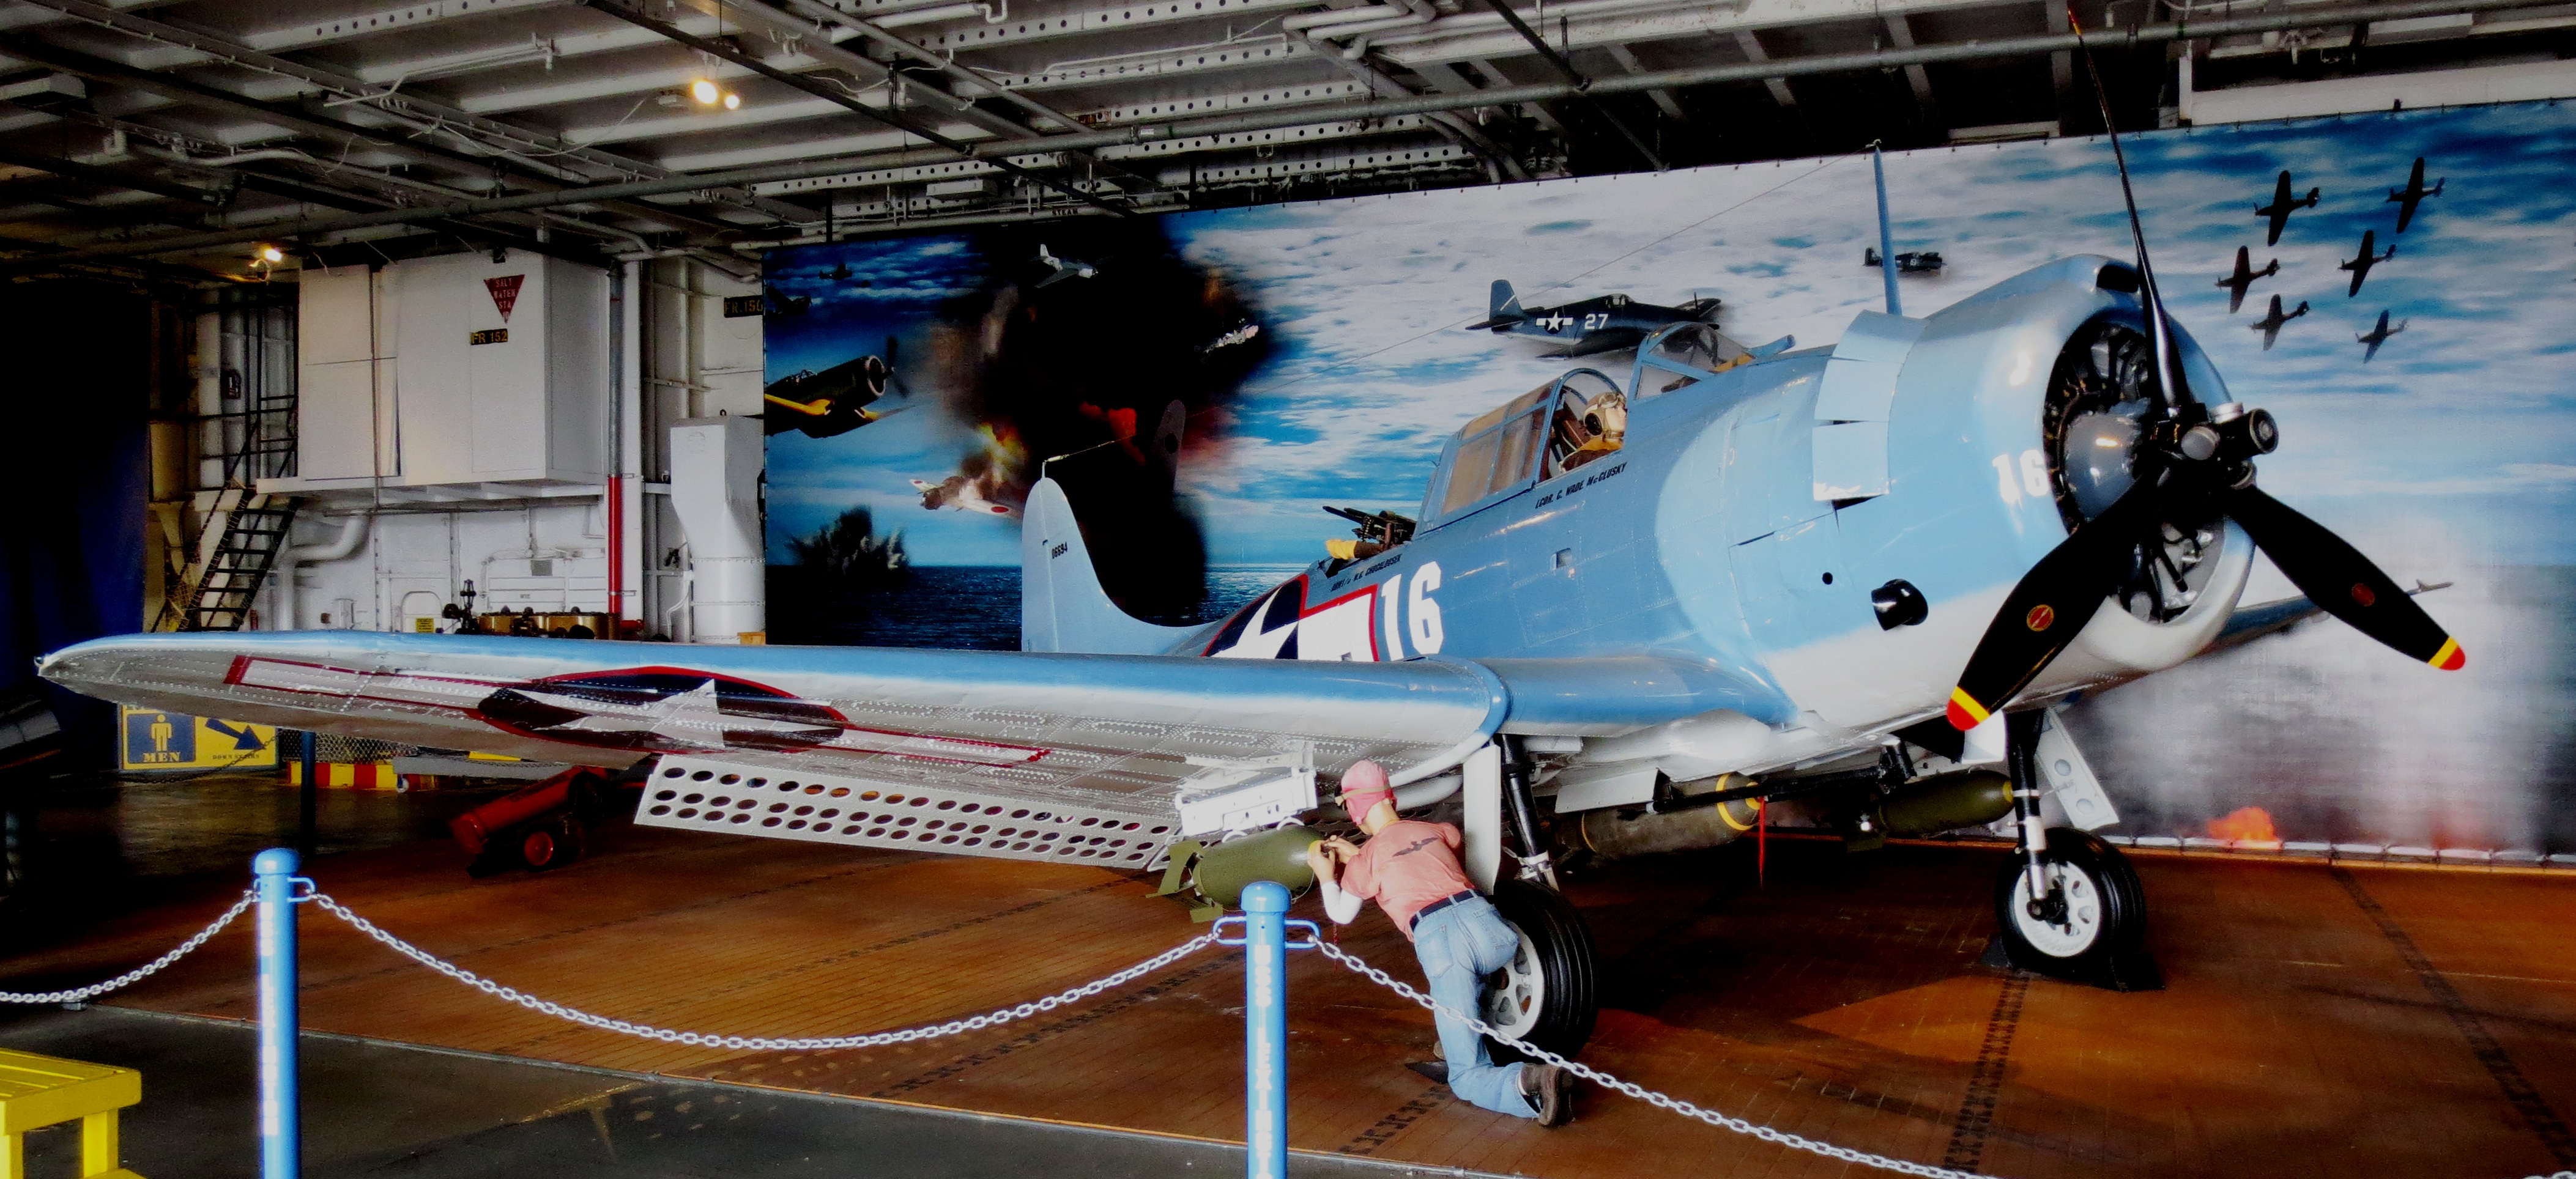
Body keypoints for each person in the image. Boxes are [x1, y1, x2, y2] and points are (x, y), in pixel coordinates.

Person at [1305, 760, 1576, 1126]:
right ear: (1390, 798)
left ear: (1355, 811)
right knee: (1473, 980)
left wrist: (1326, 875)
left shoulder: (1364, 861)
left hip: (1446, 943)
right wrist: (1363, 857)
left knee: (1465, 1077)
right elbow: (1413, 856)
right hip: (1493, 932)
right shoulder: (1435, 830)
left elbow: (1340, 914)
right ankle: (1466, 1035)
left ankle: (1528, 1080)